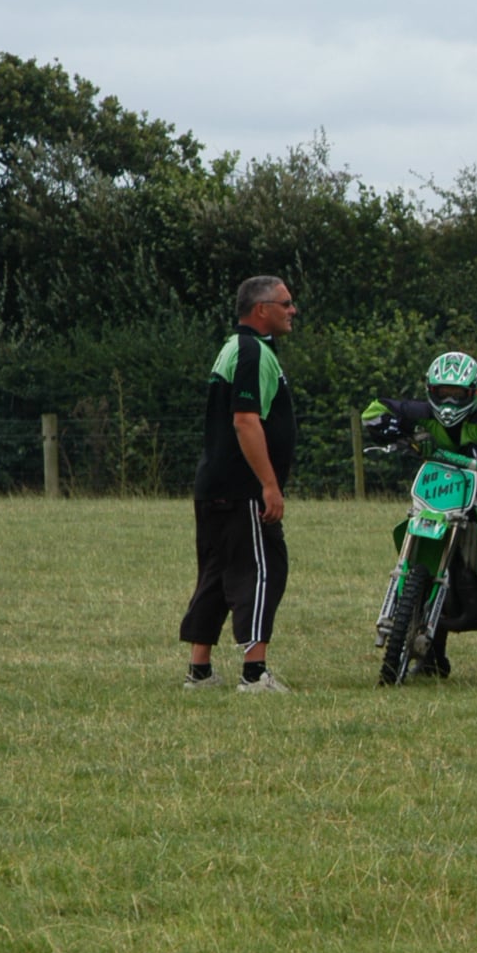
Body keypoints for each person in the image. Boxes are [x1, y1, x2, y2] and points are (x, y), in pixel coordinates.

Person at [360, 352, 477, 677]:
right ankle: (430, 659)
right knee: (421, 549)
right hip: (442, 491)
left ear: (475, 393)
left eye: (459, 394)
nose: (450, 401)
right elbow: (373, 412)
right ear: (431, 390)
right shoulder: (420, 413)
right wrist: (401, 433)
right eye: (444, 393)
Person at [179, 276, 300, 692]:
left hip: (213, 486)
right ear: (261, 308)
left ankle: (200, 672)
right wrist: (269, 484)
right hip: (243, 489)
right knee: (263, 571)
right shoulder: (250, 351)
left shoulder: (235, 347)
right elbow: (245, 420)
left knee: (216, 574)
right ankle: (254, 673)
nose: (292, 310)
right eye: (285, 303)